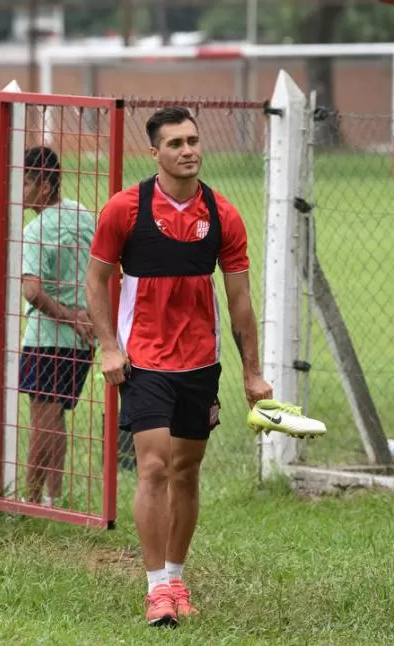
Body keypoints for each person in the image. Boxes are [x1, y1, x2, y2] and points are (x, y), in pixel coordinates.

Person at [86, 106, 273, 626]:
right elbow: (96, 282)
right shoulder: (124, 210)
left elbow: (239, 301)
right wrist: (108, 345)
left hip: (200, 360)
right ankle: (155, 590)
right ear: (156, 152)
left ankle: (176, 574)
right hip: (142, 358)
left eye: (192, 141)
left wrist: (251, 372)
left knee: (187, 471)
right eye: (175, 143)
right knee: (153, 467)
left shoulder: (224, 215)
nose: (187, 150)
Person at [17, 146, 96, 506]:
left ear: (45, 187)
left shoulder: (35, 230)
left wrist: (67, 315)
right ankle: (55, 497)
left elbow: (32, 290)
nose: (21, 191)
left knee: (41, 421)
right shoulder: (81, 215)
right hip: (83, 341)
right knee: (56, 416)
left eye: (28, 183)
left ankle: (30, 502)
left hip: (48, 337)